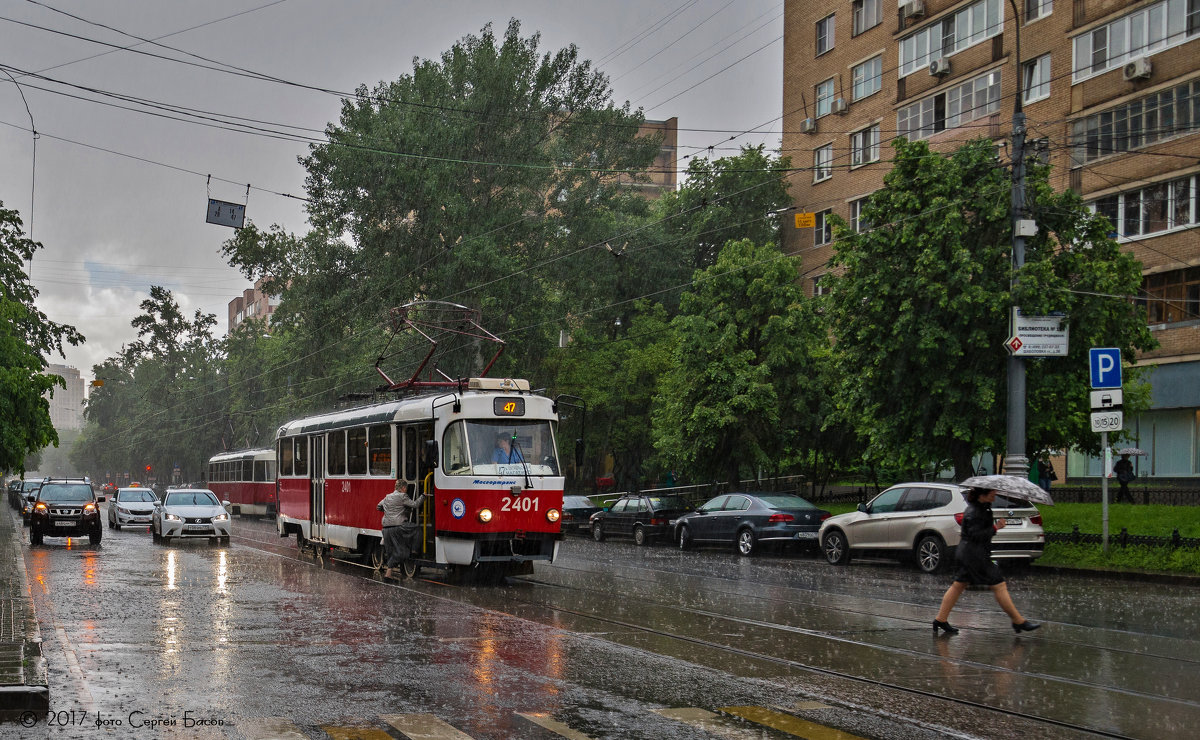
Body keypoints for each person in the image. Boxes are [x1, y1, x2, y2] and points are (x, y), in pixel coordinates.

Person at [933, 487, 1040, 635]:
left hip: (970, 553)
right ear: (982, 495)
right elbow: (975, 535)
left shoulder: (980, 508)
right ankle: (1018, 621)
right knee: (999, 585)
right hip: (975, 556)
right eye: (992, 494)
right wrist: (996, 527)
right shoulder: (976, 512)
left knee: (958, 585)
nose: (995, 496)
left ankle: (940, 619)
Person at [376, 479, 425, 578]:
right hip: (398, 527)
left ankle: (388, 575)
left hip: (385, 528)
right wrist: (423, 496)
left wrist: (388, 511)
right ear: (403, 488)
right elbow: (415, 505)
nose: (406, 490)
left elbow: (378, 506)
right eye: (406, 488)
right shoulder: (403, 496)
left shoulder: (387, 497)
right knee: (417, 529)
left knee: (392, 552)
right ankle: (415, 550)